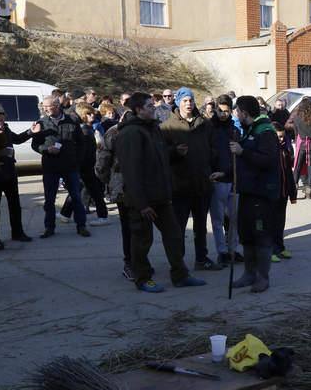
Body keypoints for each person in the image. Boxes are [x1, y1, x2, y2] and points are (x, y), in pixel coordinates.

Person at [116, 93, 205, 292]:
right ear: (138, 110)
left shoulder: (153, 129)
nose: (154, 107)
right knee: (141, 242)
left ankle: (180, 275)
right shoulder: (131, 134)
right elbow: (131, 172)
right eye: (149, 106)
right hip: (143, 201)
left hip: (161, 196)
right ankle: (143, 278)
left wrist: (174, 153)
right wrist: (142, 204)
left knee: (174, 236)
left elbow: (159, 156)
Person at [161, 87, 222, 271]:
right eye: (185, 100)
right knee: (178, 227)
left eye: (191, 100)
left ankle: (201, 259)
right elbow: (161, 155)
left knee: (201, 226)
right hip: (179, 185)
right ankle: (178, 264)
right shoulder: (167, 127)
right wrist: (174, 152)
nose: (188, 104)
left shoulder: (205, 124)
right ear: (178, 102)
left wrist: (211, 160)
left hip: (202, 183)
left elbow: (214, 148)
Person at [229, 96, 281, 293]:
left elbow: (268, 160)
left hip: (262, 193)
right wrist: (225, 174)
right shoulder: (249, 131)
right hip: (248, 192)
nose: (236, 115)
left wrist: (243, 152)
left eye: (237, 111)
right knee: (247, 235)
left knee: (261, 236)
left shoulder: (265, 132)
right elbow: (243, 164)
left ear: (244, 112)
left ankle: (262, 277)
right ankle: (249, 274)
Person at [31, 97, 90, 238]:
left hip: (70, 166)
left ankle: (81, 226)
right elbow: (35, 145)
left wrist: (77, 160)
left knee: (76, 197)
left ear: (57, 105)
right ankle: (49, 227)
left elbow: (82, 143)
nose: (44, 109)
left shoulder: (72, 121)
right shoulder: (41, 123)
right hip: (50, 167)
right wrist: (46, 149)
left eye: (48, 106)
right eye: (43, 106)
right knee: (49, 199)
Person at [95, 110, 133, 279]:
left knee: (139, 227)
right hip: (122, 186)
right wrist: (109, 181)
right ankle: (130, 262)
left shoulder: (148, 130)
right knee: (128, 225)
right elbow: (102, 162)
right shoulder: (114, 133)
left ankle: (138, 260)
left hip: (142, 186)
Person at [60, 103, 109, 227]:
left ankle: (102, 216)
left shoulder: (85, 129)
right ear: (82, 115)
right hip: (85, 165)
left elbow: (85, 151)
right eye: (88, 113)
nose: (92, 115)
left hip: (86, 165)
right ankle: (65, 214)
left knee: (90, 190)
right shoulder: (85, 128)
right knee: (79, 190)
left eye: (92, 113)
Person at [208, 95, 241, 266]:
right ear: (215, 109)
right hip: (217, 179)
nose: (223, 114)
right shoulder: (209, 128)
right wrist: (214, 172)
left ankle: (232, 249)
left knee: (234, 218)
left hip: (233, 179)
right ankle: (221, 251)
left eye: (226, 111)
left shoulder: (234, 129)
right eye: (220, 111)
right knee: (218, 219)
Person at [0, 105, 33, 249]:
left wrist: (30, 132)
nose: (1, 116)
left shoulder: (6, 128)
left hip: (9, 172)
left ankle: (17, 232)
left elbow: (17, 139)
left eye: (2, 113)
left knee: (15, 205)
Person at [271, 122, 297, 262]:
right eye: (278, 137)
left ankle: (280, 247)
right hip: (272, 193)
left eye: (283, 137)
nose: (281, 139)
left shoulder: (285, 150)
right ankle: (271, 250)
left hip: (283, 192)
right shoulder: (269, 152)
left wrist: (292, 193)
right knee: (271, 223)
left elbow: (288, 173)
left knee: (280, 222)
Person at [290, 98, 311, 199]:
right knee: (310, 169)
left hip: (301, 145)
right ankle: (308, 193)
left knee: (297, 168)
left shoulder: (296, 117)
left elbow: (296, 133)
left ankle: (293, 192)